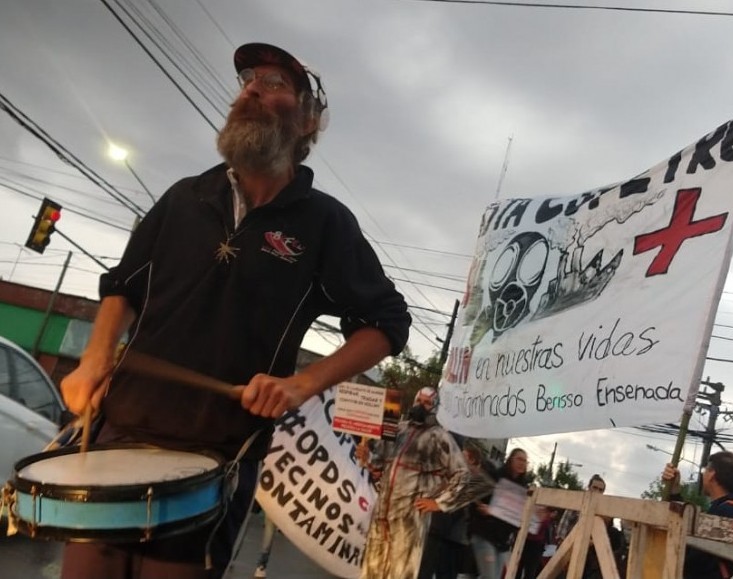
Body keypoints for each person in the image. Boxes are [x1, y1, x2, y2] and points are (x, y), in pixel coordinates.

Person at [59, 41, 411, 579]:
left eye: (273, 84)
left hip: (217, 455)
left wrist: (302, 383)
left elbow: (386, 323)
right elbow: (123, 286)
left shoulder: (324, 223)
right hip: (119, 432)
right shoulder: (185, 197)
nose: (250, 90)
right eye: (249, 79)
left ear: (308, 121)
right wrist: (94, 358)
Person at [357, 387, 493, 579]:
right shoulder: (397, 429)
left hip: (409, 521)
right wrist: (367, 456)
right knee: (371, 570)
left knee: (399, 573)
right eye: (419, 401)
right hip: (382, 515)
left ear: (435, 408)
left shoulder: (439, 437)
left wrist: (440, 503)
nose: (421, 405)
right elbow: (379, 464)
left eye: (427, 403)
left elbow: (464, 475)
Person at [662, 451, 733, 579]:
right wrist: (675, 491)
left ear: (711, 474)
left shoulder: (724, 513)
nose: (703, 475)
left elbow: (693, 561)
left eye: (705, 470)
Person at [417, 444, 485, 579]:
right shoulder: (454, 475)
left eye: (462, 456)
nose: (457, 458)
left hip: (453, 539)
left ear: (471, 460)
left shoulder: (475, 481)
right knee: (426, 570)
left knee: (442, 572)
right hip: (439, 532)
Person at [469, 448, 531, 579]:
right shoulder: (494, 476)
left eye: (525, 461)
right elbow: (472, 493)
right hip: (484, 533)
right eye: (519, 459)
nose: (522, 463)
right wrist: (483, 508)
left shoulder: (523, 488)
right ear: (510, 460)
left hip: (502, 541)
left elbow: (517, 517)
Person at [555, 474, 606, 544]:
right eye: (595, 487)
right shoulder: (578, 502)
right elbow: (564, 525)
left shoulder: (602, 510)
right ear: (589, 487)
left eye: (600, 490)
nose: (597, 491)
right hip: (567, 544)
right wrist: (563, 542)